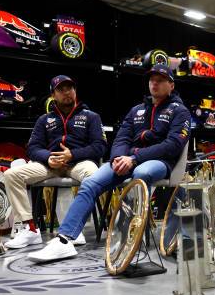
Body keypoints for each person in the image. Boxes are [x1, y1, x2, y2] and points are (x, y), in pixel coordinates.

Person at [28, 64, 191, 262]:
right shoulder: (136, 110)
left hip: (160, 162)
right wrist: (117, 159)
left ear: (171, 85)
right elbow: (121, 139)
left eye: (160, 80)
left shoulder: (180, 111)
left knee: (142, 174)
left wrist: (134, 158)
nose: (154, 83)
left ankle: (130, 238)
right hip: (127, 160)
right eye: (151, 80)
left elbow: (173, 145)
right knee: (90, 183)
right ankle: (64, 240)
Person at [4, 75, 106, 249]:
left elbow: (100, 147)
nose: (67, 92)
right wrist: (48, 157)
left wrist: (72, 155)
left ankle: (74, 228)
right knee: (11, 175)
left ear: (75, 91)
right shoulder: (44, 120)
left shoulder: (92, 117)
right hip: (49, 165)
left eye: (70, 88)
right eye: (61, 89)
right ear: (53, 95)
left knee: (93, 174)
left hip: (79, 162)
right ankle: (30, 229)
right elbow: (32, 148)